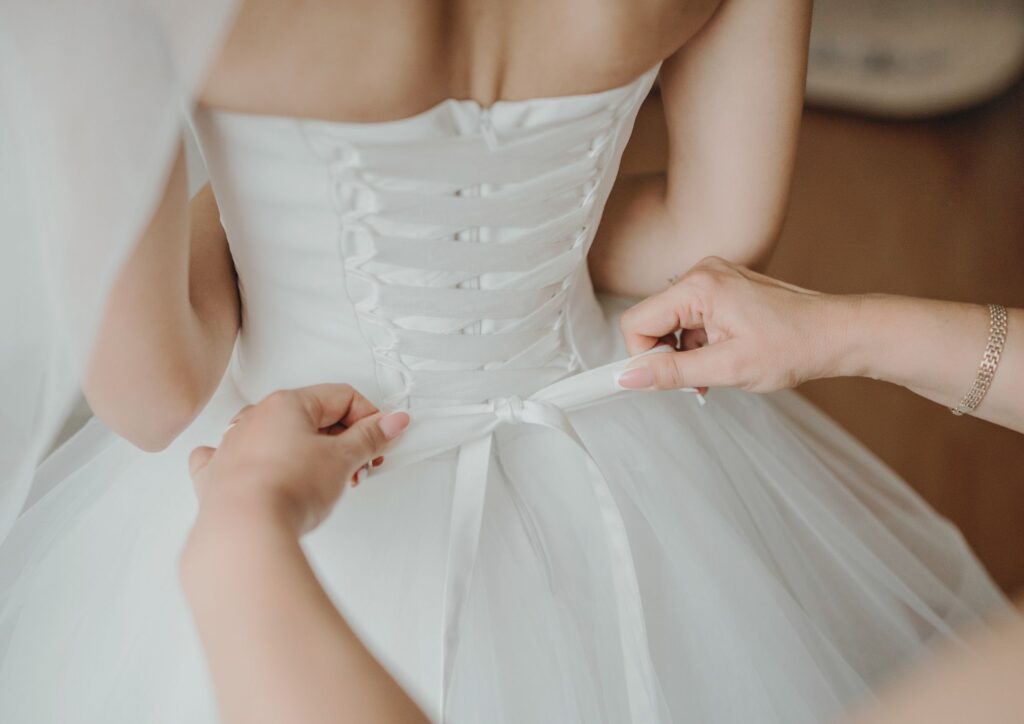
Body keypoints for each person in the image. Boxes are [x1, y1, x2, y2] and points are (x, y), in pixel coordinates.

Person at [0, 1, 1009, 722]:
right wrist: (524, 258)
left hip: (295, 477)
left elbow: (155, 392)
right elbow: (715, 230)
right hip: (607, 427)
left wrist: (264, 225)